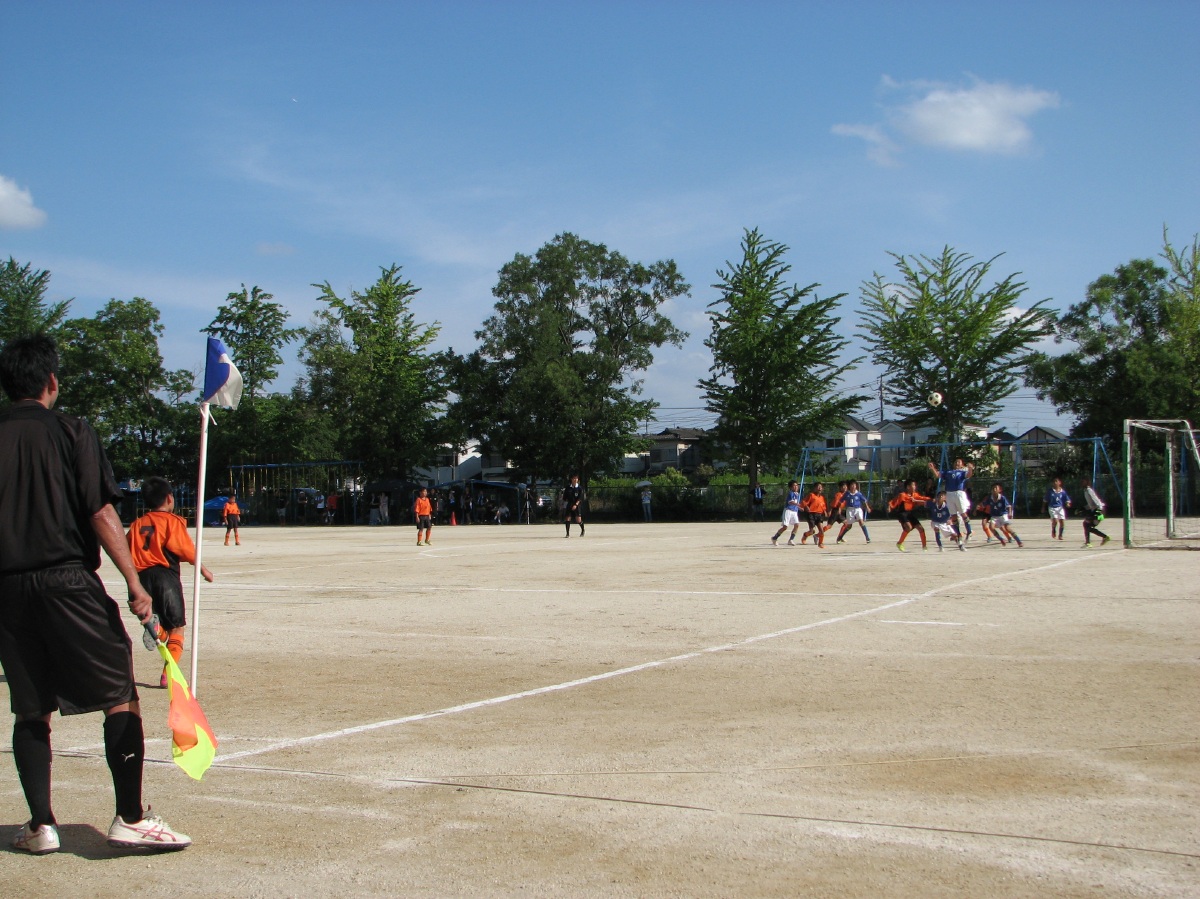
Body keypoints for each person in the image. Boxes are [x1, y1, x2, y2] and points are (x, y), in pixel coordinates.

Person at [0, 335, 191, 854]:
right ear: (51, 380)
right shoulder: (71, 431)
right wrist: (134, 582)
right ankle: (130, 817)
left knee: (30, 707)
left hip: (8, 589)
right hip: (67, 580)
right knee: (119, 693)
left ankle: (41, 826)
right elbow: (100, 511)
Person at [128, 477, 215, 688]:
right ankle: (168, 673)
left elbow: (125, 552)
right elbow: (185, 549)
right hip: (165, 577)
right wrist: (203, 569)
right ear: (169, 498)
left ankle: (157, 630)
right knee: (177, 628)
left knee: (162, 627)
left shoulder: (136, 525)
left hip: (140, 580)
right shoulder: (172, 521)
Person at [928, 458, 975, 543]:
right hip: (949, 494)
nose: (957, 463)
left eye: (959, 462)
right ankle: (958, 534)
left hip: (958, 493)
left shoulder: (962, 472)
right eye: (955, 461)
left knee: (962, 513)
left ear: (962, 465)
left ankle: (969, 531)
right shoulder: (948, 472)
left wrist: (970, 468)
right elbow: (938, 475)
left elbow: (969, 475)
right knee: (953, 516)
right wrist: (933, 468)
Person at [888, 480, 931, 551]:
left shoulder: (914, 495)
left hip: (909, 513)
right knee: (909, 527)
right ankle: (899, 543)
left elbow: (922, 498)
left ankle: (924, 546)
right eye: (913, 485)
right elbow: (893, 501)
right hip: (902, 513)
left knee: (921, 528)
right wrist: (890, 507)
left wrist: (931, 499)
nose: (915, 487)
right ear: (908, 487)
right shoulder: (902, 495)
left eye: (915, 485)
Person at [834, 480, 872, 544]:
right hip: (850, 510)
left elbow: (864, 500)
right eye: (852, 485)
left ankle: (867, 538)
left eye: (854, 485)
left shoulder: (858, 494)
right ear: (849, 486)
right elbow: (840, 501)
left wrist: (867, 507)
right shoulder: (847, 494)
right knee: (849, 525)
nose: (853, 486)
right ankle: (840, 537)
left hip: (858, 509)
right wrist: (839, 509)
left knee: (861, 522)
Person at [988, 482, 1024, 547]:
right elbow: (984, 504)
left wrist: (1010, 513)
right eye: (993, 488)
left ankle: (1019, 541)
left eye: (996, 488)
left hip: (1003, 515)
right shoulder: (990, 498)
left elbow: (1009, 506)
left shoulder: (1002, 498)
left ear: (999, 490)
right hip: (994, 516)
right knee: (991, 527)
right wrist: (978, 506)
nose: (994, 489)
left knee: (1007, 528)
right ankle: (1001, 539)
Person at [1080, 477, 1111, 547]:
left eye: (1083, 481)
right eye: (1082, 481)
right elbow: (1091, 504)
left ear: (1087, 482)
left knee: (1086, 524)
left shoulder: (1089, 490)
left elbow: (1096, 501)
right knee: (1087, 526)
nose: (1082, 483)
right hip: (1098, 510)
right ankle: (1105, 537)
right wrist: (1083, 508)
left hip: (1100, 510)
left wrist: (1099, 511)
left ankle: (1088, 543)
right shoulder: (1085, 491)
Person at [771, 481, 803, 546]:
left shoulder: (797, 494)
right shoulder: (791, 493)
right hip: (788, 510)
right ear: (791, 487)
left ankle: (791, 540)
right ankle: (774, 538)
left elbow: (795, 503)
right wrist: (798, 504)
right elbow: (790, 502)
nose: (796, 487)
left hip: (794, 511)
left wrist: (799, 508)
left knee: (797, 525)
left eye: (797, 485)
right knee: (785, 527)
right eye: (794, 485)